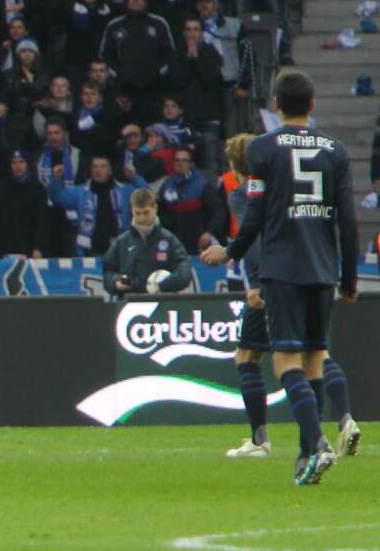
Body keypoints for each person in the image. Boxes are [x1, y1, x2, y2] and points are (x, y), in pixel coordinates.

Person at [201, 71, 358, 485]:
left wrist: (230, 252)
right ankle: (308, 457)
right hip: (323, 268)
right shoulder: (336, 151)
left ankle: (318, 443)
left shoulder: (263, 149)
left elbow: (254, 213)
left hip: (283, 268)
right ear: (313, 105)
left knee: (284, 360)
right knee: (313, 359)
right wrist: (351, 277)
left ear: (275, 104)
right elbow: (348, 219)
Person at [103, 189, 191, 296]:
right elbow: (107, 273)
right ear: (132, 210)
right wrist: (116, 283)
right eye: (137, 213)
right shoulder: (121, 242)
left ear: (155, 208)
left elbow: (185, 273)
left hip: (163, 302)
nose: (142, 218)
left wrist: (162, 284)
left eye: (146, 212)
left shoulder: (169, 240)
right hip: (130, 303)